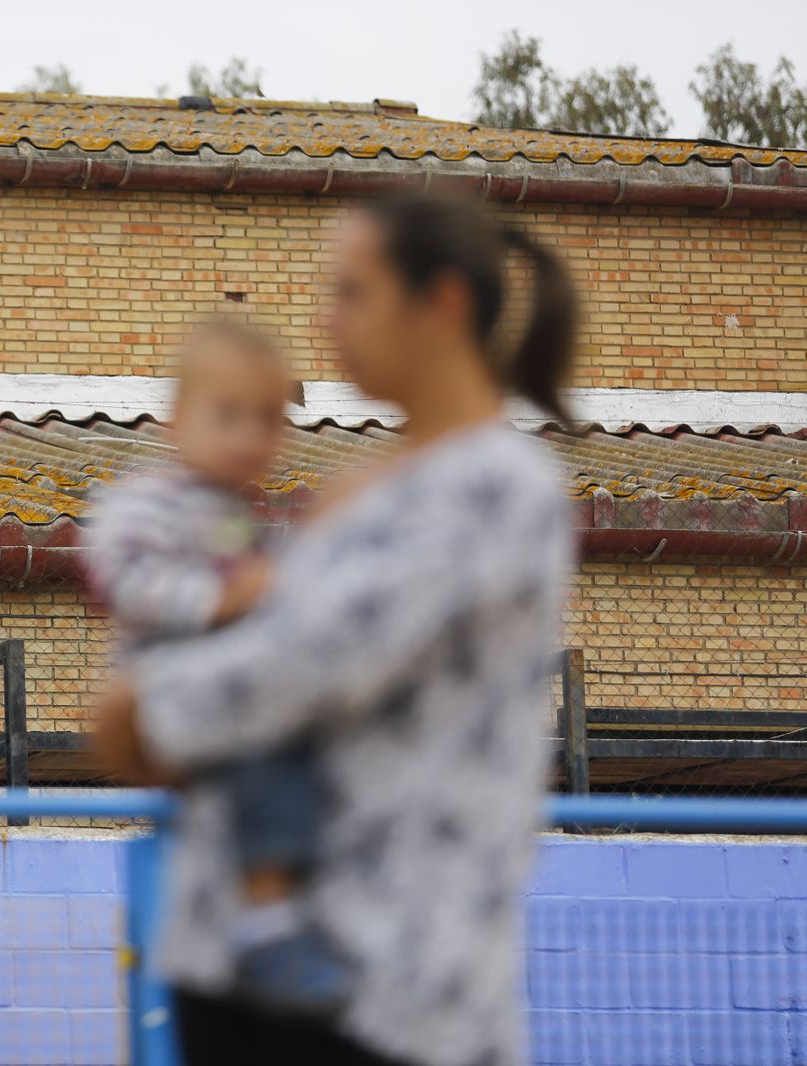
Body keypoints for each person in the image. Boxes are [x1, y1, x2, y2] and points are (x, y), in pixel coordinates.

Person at [95, 192, 579, 1066]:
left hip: (380, 981)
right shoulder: (369, 480)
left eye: (353, 293)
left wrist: (138, 708)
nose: (328, 320)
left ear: (443, 306)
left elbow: (309, 663)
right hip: (232, 962)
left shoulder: (497, 485)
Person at [85, 321, 347, 1013]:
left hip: (225, 687)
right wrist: (220, 600)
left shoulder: (235, 512)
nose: (247, 438)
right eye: (225, 416)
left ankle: (282, 902)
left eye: (266, 420)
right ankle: (268, 919)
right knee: (266, 770)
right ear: (175, 419)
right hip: (170, 680)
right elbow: (119, 576)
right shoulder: (143, 500)